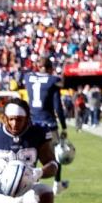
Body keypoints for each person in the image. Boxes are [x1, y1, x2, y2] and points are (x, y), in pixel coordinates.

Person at [21, 56, 69, 194]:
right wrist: (64, 126)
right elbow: (57, 106)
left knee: (32, 155)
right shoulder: (52, 81)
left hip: (32, 123)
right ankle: (57, 184)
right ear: (50, 68)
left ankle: (31, 184)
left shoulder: (28, 77)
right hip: (48, 123)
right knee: (56, 155)